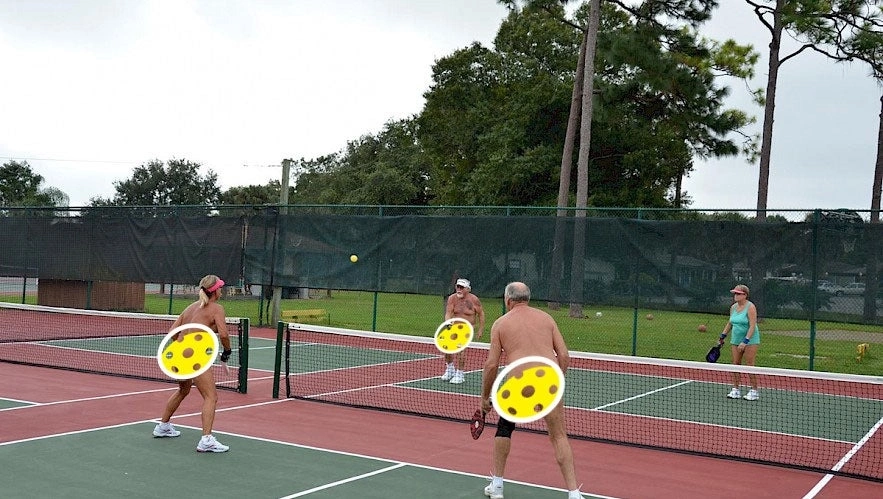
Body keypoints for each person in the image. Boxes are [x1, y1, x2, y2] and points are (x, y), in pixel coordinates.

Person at [480, 282, 582, 499]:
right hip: (548, 383)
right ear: (528, 298)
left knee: (504, 429)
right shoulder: (546, 318)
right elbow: (564, 356)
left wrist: (485, 398)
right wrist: (557, 381)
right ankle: (574, 493)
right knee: (559, 436)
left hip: (518, 386)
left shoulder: (500, 324)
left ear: (508, 300)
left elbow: (491, 365)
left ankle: (497, 486)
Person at [153, 274, 233, 452]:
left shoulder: (190, 308)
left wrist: (183, 347)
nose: (222, 290)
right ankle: (206, 440)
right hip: (197, 358)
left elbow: (173, 332)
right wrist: (227, 351)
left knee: (183, 390)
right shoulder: (217, 308)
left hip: (180, 357)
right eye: (220, 287)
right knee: (211, 397)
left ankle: (163, 426)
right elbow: (224, 334)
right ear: (215, 291)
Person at [718, 284, 761, 401]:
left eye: (738, 294)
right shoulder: (733, 307)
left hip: (751, 339)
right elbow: (730, 323)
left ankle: (754, 391)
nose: (735, 295)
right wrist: (722, 336)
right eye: (735, 293)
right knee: (736, 364)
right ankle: (735, 389)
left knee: (750, 364)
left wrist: (745, 341)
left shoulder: (750, 307)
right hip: (736, 339)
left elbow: (752, 326)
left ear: (745, 295)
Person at [440, 278, 485, 384]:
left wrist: (480, 330)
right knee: (446, 348)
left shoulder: (474, 300)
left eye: (462, 287)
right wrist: (448, 323)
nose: (459, 289)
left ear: (468, 289)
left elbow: (481, 314)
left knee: (460, 349)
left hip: (467, 329)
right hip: (454, 328)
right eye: (458, 287)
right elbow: (448, 312)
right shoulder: (452, 298)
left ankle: (460, 374)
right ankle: (450, 369)